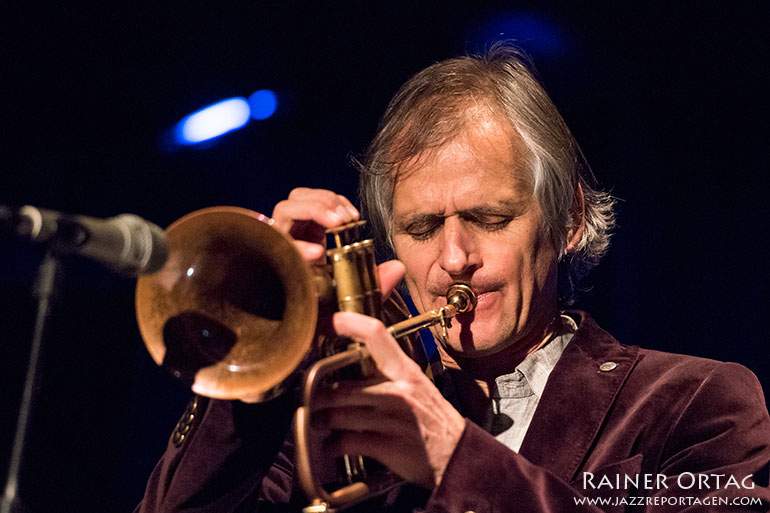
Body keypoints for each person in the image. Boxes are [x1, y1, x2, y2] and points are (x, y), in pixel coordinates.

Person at [135, 44, 770, 512]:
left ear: (570, 219)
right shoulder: (330, 418)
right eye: (419, 229)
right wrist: (260, 359)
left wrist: (453, 458)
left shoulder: (697, 403)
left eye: (490, 218)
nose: (455, 257)